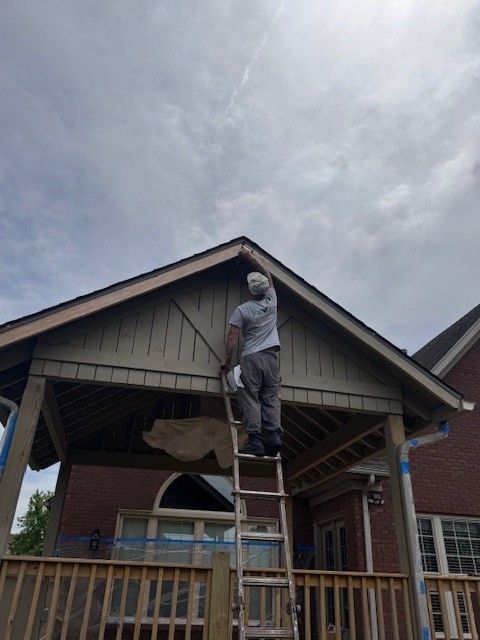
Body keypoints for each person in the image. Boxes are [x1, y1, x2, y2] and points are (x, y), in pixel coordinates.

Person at [220, 246, 282, 457]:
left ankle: (255, 440)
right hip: (272, 358)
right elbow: (269, 275)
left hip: (252, 358)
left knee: (250, 397)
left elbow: (232, 338)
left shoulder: (243, 310)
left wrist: (226, 362)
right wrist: (250, 257)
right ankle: (274, 436)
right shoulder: (272, 300)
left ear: (250, 290)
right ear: (265, 288)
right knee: (271, 397)